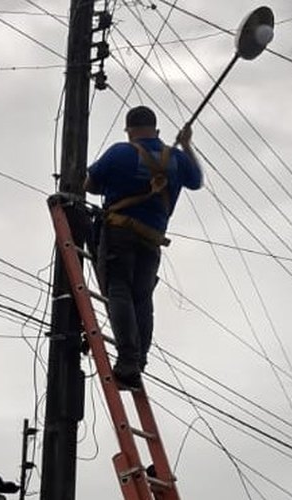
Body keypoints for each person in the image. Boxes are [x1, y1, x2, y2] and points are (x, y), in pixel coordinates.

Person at [84, 106, 203, 388]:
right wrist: (186, 145)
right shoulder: (173, 158)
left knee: (119, 292)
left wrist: (114, 185)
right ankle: (138, 361)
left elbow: (90, 184)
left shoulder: (120, 153)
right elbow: (196, 181)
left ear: (129, 131)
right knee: (141, 299)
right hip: (152, 239)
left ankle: (127, 361)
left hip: (120, 233)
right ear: (156, 131)